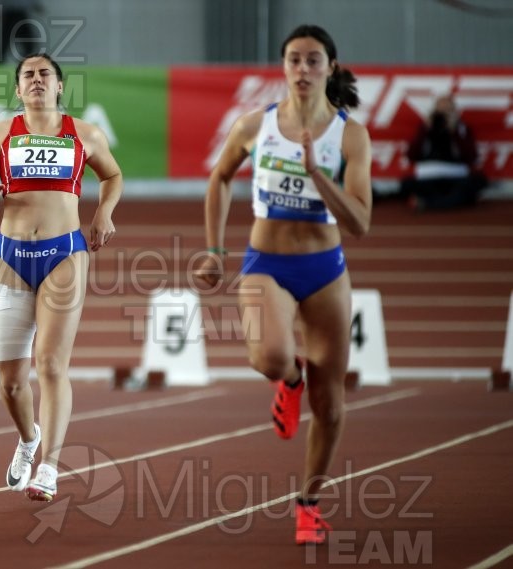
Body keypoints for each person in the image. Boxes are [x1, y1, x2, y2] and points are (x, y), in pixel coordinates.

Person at [194, 25, 372, 544]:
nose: (302, 69)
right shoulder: (255, 126)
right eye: (293, 60)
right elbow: (220, 177)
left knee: (332, 405)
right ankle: (288, 382)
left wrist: (319, 176)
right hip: (265, 261)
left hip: (325, 271)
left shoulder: (350, 136)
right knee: (268, 357)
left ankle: (309, 505)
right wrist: (213, 248)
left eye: (313, 60)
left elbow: (361, 223)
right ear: (283, 67)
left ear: (330, 68)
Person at [0, 53, 123, 501]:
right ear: (18, 89)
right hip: (10, 257)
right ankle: (29, 438)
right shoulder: (0, 134)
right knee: (10, 381)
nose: (37, 80)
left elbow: (113, 175)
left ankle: (49, 466)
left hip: (64, 253)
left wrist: (104, 210)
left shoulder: (84, 134)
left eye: (45, 74)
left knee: (50, 364)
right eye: (28, 75)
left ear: (60, 86)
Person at [400, 94, 487, 211]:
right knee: (407, 184)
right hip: (429, 176)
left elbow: (471, 157)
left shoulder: (462, 128)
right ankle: (458, 200)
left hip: (456, 176)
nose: (444, 115)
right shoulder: (425, 128)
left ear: (455, 112)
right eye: (441, 111)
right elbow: (411, 156)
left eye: (448, 111)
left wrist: (454, 131)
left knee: (478, 181)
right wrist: (425, 130)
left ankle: (427, 203)